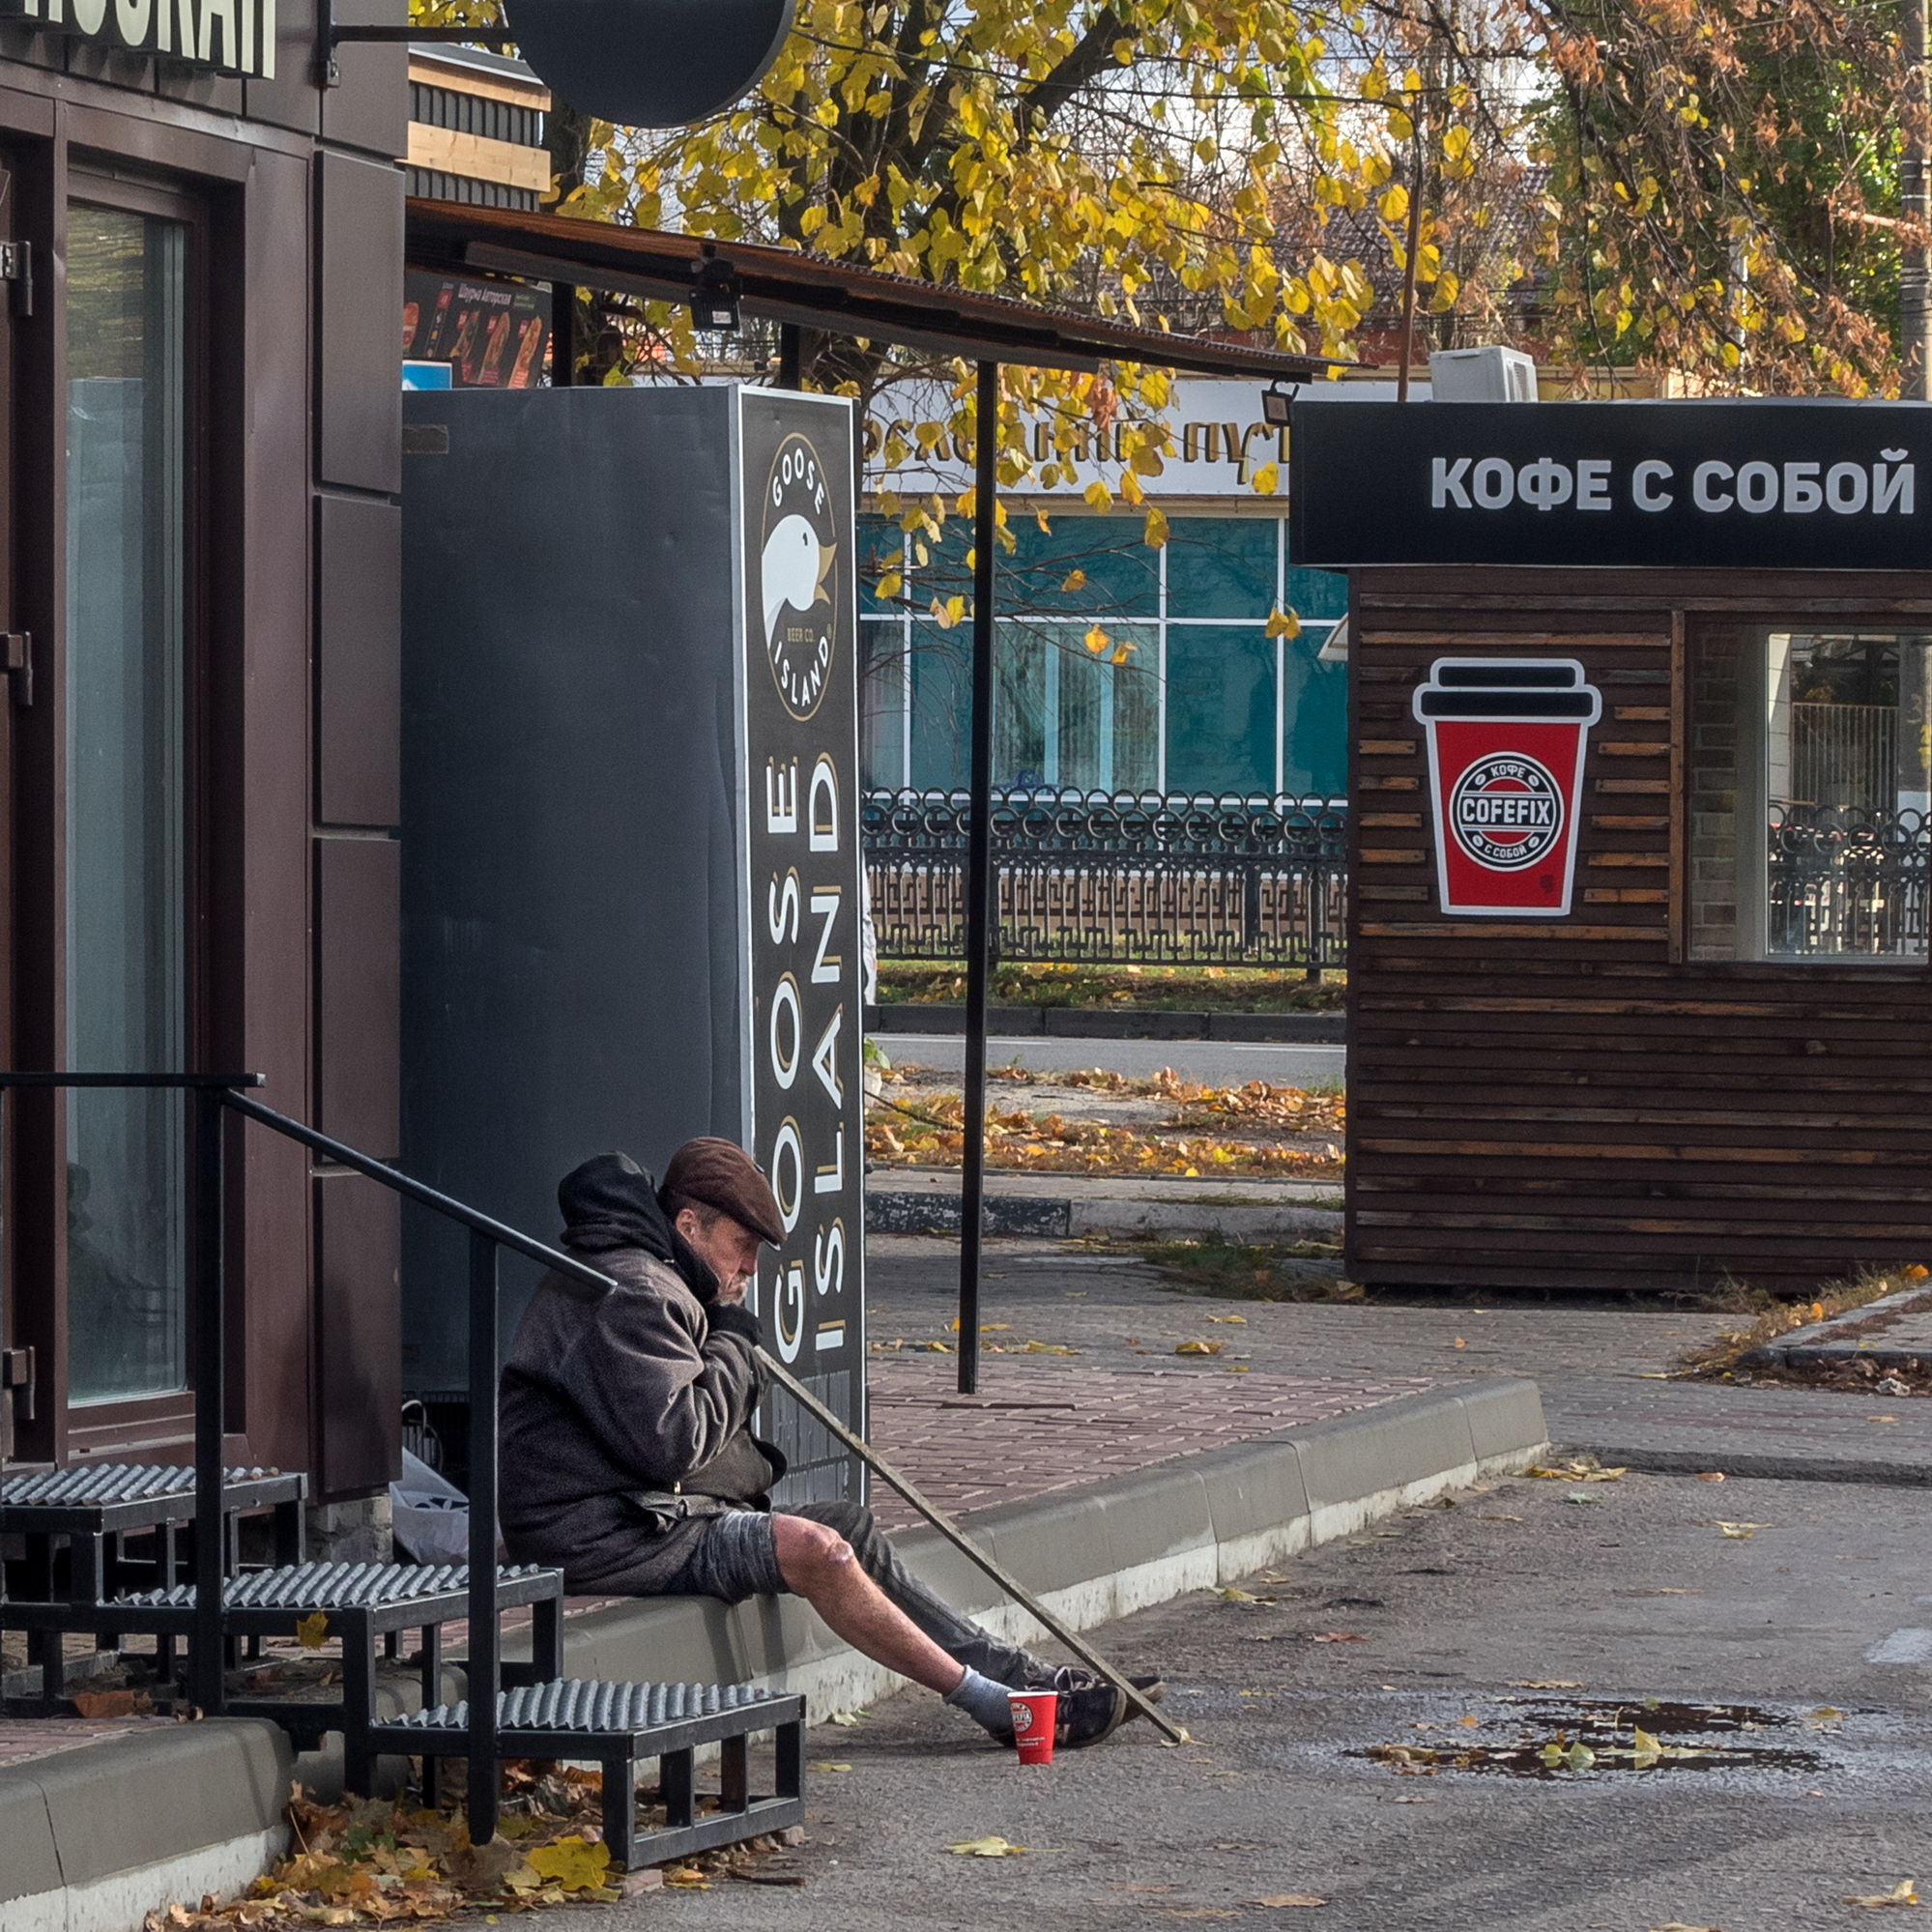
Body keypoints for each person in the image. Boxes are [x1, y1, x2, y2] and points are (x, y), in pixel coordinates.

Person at [500, 1139, 1163, 1750]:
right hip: (604, 1535)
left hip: (639, 1513)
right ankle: (993, 1703)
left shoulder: (649, 1278)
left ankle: (1019, 1674)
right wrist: (733, 1344)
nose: (749, 1267)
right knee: (820, 1549)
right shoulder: (638, 1293)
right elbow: (676, 1443)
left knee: (847, 1524)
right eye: (741, 1245)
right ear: (689, 1225)